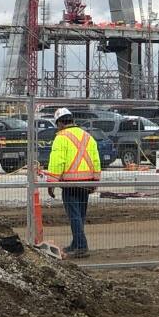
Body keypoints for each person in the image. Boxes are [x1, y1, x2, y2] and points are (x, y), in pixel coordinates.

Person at [45, 108, 100, 258]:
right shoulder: (87, 136)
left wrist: (51, 183)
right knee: (80, 215)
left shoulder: (61, 137)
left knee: (74, 216)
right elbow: (95, 160)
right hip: (86, 183)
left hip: (70, 184)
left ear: (60, 123)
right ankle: (76, 243)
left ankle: (81, 246)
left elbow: (57, 162)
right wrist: (95, 180)